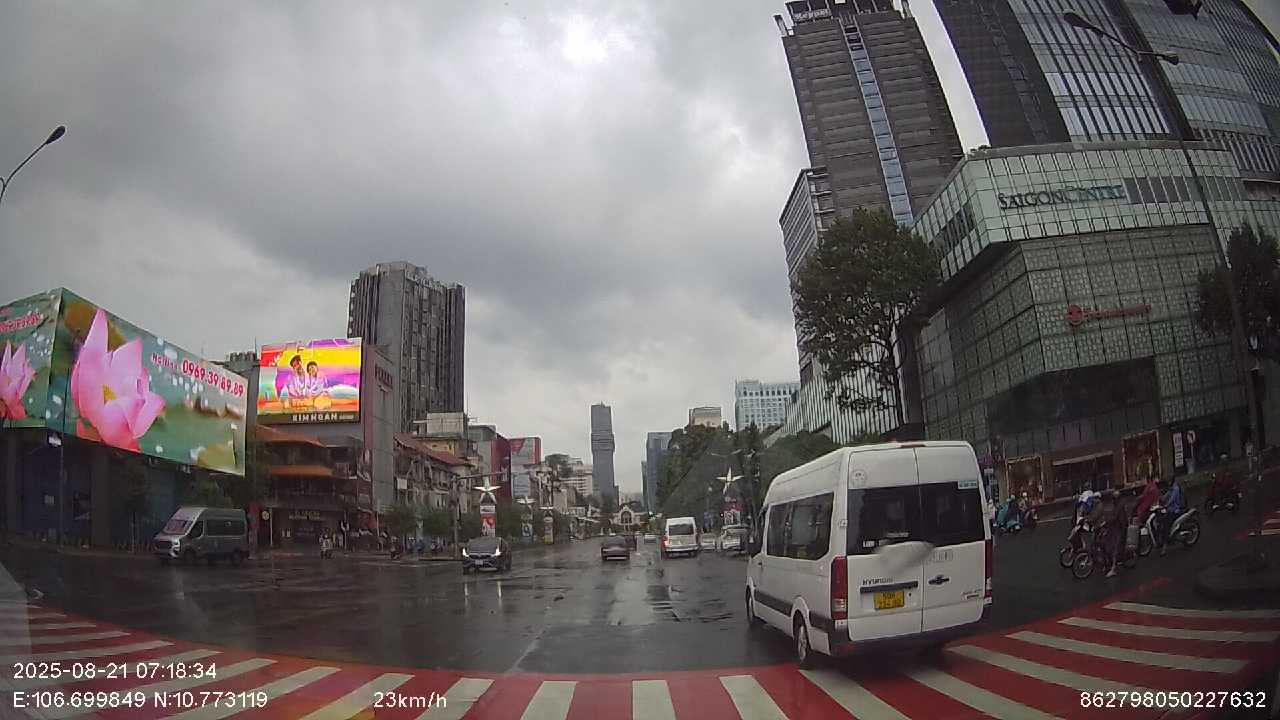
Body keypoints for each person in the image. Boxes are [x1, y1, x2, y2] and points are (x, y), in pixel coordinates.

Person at [1159, 478, 1186, 555]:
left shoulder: (1176, 488)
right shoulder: (1171, 488)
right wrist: (1160, 499)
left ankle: (1164, 547)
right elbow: (1165, 496)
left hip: (1175, 511)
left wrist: (1166, 505)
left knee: (1166, 526)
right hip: (1170, 510)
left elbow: (1172, 500)